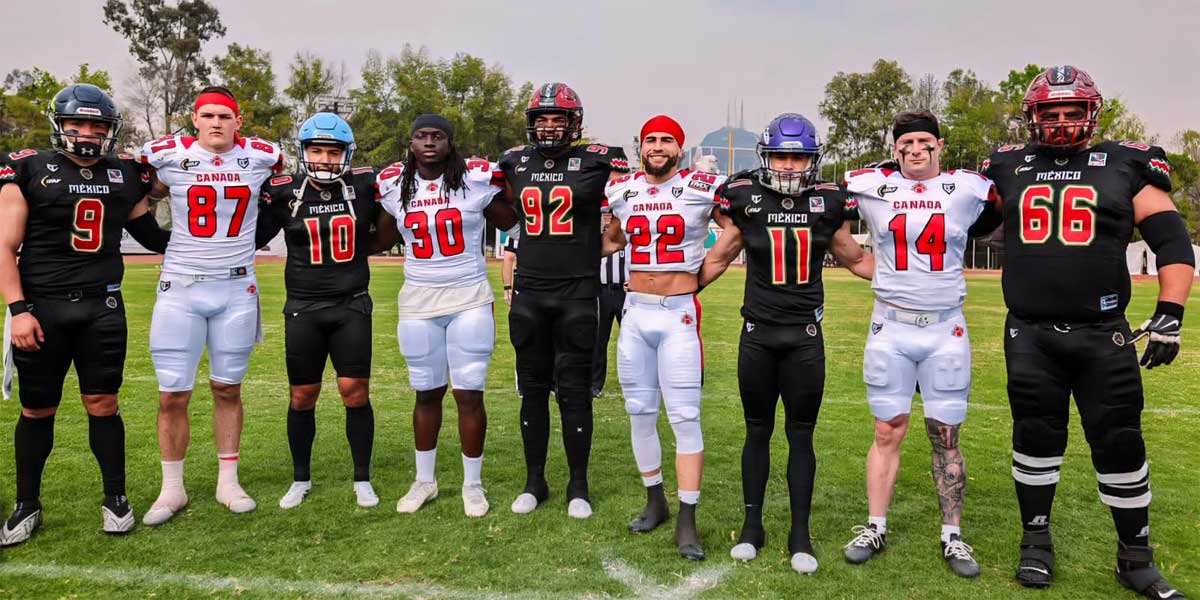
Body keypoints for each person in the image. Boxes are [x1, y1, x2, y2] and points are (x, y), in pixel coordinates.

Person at [982, 65, 1192, 599]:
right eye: (1049, 111)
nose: (1060, 120)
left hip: (1103, 334)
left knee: (1121, 441)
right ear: (1032, 116)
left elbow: (1170, 240)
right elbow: (964, 215)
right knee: (1035, 439)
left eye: (1072, 110)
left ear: (1092, 112)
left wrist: (1171, 310)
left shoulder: (1125, 163)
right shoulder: (1009, 166)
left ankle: (1136, 558)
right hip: (1030, 334)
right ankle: (1035, 544)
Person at [699, 113, 873, 573]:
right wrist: (671, 294)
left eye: (799, 157)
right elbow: (718, 257)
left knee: (801, 435)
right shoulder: (746, 198)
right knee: (756, 430)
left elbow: (857, 260)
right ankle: (752, 526)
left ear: (812, 160)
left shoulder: (829, 202)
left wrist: (921, 279)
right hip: (757, 333)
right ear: (767, 157)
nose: (791, 166)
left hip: (804, 338)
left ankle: (801, 532)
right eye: (782, 156)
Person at [0, 84, 168, 545]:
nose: (86, 133)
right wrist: (17, 311)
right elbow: (4, 247)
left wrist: (167, 181)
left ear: (110, 130)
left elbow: (153, 236)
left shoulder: (122, 174)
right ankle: (27, 504)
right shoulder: (29, 168)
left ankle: (115, 498)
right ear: (59, 125)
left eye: (96, 125)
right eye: (76, 123)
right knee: (37, 409)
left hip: (102, 306)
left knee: (104, 404)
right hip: (42, 307)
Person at [841, 110, 999, 577]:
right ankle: (875, 524)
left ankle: (952, 536)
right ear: (895, 148)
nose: (915, 149)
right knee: (886, 430)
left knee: (945, 435)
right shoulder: (872, 186)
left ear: (940, 145)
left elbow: (1008, 201)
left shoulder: (967, 189)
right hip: (890, 326)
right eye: (906, 142)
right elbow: (830, 210)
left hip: (945, 328)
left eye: (924, 141)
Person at [140, 86, 285, 525]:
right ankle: (172, 489)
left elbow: (277, 204)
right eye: (208, 115)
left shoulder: (261, 157)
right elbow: (139, 195)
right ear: (195, 120)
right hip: (180, 287)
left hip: (236, 288)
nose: (217, 122)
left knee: (227, 388)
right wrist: (159, 242)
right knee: (172, 394)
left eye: (225, 115)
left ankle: (228, 479)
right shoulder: (167, 155)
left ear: (238, 122)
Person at [496, 83, 629, 519]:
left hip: (577, 291)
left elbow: (631, 205)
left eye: (558, 119)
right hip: (531, 290)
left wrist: (604, 245)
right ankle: (535, 481)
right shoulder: (514, 161)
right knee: (531, 391)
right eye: (542, 119)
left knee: (574, 392)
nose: (549, 127)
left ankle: (578, 484)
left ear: (574, 123)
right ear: (532, 124)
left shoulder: (598, 161)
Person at [378, 114, 517, 518]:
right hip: (418, 301)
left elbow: (511, 220)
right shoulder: (395, 186)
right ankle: (425, 480)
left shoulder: (474, 181)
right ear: (411, 143)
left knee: (469, 393)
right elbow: (381, 236)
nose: (429, 142)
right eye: (420, 136)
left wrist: (507, 185)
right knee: (426, 392)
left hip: (469, 297)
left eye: (437, 136)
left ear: (450, 143)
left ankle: (472, 484)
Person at [601, 115, 723, 560]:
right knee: (639, 410)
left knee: (685, 416)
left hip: (678, 317)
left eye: (666, 140)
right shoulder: (623, 190)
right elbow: (612, 239)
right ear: (641, 146)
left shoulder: (701, 187)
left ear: (680, 147)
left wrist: (697, 278)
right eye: (650, 139)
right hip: (635, 313)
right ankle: (655, 500)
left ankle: (688, 520)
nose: (657, 146)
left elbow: (733, 233)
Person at [255, 113, 383, 510]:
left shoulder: (364, 185)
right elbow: (253, 233)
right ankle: (301, 478)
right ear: (303, 151)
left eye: (333, 151)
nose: (325, 159)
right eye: (317, 150)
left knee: (354, 391)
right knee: (302, 395)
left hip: (351, 303)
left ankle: (362, 478)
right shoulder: (281, 190)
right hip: (304, 307)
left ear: (346, 154)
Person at [593, 207, 629, 397]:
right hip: (601, 290)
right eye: (605, 212)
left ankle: (633, 382)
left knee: (632, 340)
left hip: (624, 291)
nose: (608, 215)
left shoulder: (626, 233)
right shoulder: (595, 235)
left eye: (611, 212)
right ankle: (595, 384)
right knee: (599, 340)